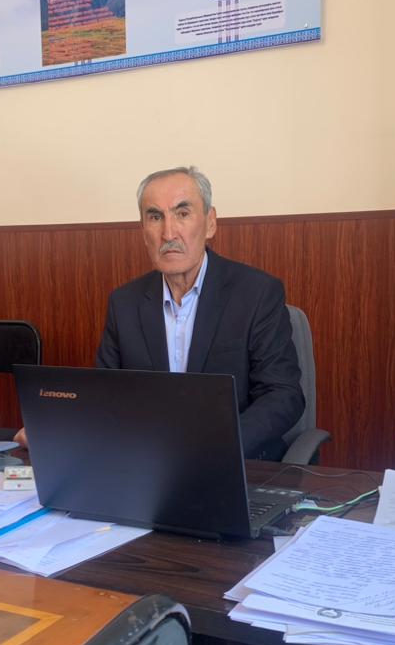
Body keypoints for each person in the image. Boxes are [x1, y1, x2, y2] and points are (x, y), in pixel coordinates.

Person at [16, 166, 304, 459]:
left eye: (182, 213)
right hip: (149, 463)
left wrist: (219, 447)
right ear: (143, 231)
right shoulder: (124, 303)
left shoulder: (257, 293)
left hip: (235, 461)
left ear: (210, 223)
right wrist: (56, 429)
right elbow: (105, 396)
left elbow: (283, 395)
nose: (168, 233)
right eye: (155, 217)